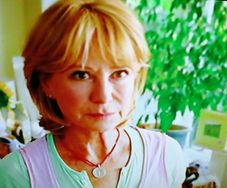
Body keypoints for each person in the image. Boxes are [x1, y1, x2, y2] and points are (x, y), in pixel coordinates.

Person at [0, 0, 186, 187]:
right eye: (81, 75)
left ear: (136, 77)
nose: (103, 96)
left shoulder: (166, 156)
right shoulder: (17, 174)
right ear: (46, 83)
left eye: (119, 73)